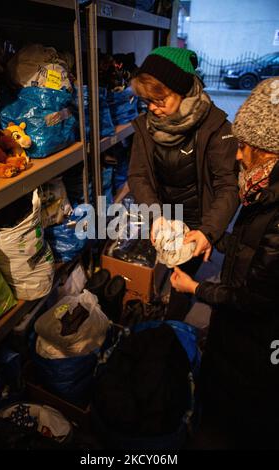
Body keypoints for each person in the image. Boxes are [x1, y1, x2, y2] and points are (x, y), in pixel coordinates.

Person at [170, 77, 279, 449]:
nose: (237, 154)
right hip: (239, 340)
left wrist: (195, 289)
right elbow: (254, 248)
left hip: (256, 346)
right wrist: (213, 239)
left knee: (236, 414)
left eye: (245, 146)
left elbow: (253, 298)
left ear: (269, 151)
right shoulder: (265, 191)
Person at [128, 46, 239, 320]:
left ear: (183, 90)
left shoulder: (215, 127)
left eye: (159, 100)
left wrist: (208, 231)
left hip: (200, 217)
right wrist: (155, 216)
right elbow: (138, 175)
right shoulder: (146, 126)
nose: (152, 108)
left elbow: (228, 186)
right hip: (166, 214)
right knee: (166, 260)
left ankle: (173, 324)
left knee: (183, 277)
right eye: (147, 101)